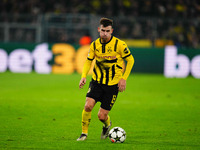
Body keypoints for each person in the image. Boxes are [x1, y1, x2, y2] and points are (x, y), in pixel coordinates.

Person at [77, 17, 134, 141]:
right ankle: (84, 134)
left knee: (101, 116)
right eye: (103, 30)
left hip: (112, 85)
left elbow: (130, 60)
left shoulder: (119, 44)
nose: (105, 33)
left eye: (108, 31)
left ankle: (107, 125)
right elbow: (88, 61)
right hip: (97, 82)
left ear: (112, 31)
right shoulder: (94, 45)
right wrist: (83, 76)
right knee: (88, 106)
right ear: (99, 30)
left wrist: (124, 78)